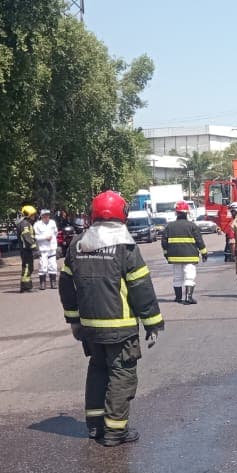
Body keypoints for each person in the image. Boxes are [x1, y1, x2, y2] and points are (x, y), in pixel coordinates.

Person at [59, 190, 164, 446]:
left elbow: (66, 286)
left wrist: (74, 321)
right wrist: (152, 321)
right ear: (122, 215)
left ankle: (95, 426)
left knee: (97, 370)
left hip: (90, 328)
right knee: (122, 374)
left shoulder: (77, 244)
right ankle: (115, 431)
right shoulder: (125, 246)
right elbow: (141, 287)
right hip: (121, 328)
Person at [162, 200, 207, 304]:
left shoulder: (169, 226)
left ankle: (178, 298)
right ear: (187, 212)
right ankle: (188, 297)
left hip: (174, 257)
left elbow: (164, 242)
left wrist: (166, 254)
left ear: (176, 213)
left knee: (177, 277)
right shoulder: (192, 226)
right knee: (189, 276)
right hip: (190, 256)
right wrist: (204, 253)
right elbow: (199, 241)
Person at [34, 207, 59, 289]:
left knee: (53, 266)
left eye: (48, 215)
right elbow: (35, 237)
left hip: (52, 248)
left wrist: (52, 239)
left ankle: (53, 283)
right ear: (41, 216)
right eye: (45, 215)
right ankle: (42, 283)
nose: (47, 217)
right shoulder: (37, 225)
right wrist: (45, 237)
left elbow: (55, 233)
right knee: (43, 266)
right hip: (43, 249)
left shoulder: (52, 223)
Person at [17, 205, 38, 292]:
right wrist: (34, 247)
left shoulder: (26, 223)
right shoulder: (24, 224)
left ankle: (28, 286)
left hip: (27, 249)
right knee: (27, 267)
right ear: (28, 214)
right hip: (26, 249)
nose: (34, 216)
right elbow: (27, 236)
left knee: (29, 267)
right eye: (32, 214)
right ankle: (25, 287)